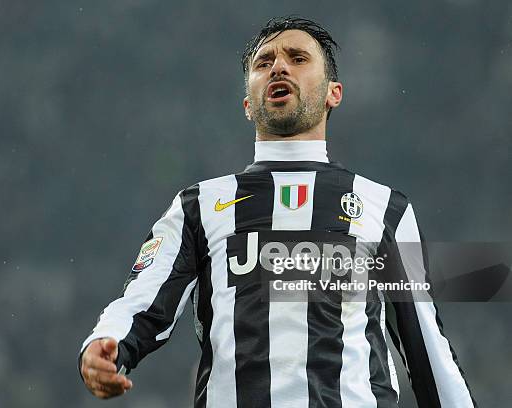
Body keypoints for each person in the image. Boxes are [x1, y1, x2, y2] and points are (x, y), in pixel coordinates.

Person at [79, 16, 476, 407]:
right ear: (248, 104)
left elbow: (427, 348)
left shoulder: (385, 208)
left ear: (333, 92)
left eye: (298, 59)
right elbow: (140, 302)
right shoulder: (198, 206)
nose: (279, 67)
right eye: (264, 62)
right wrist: (103, 346)